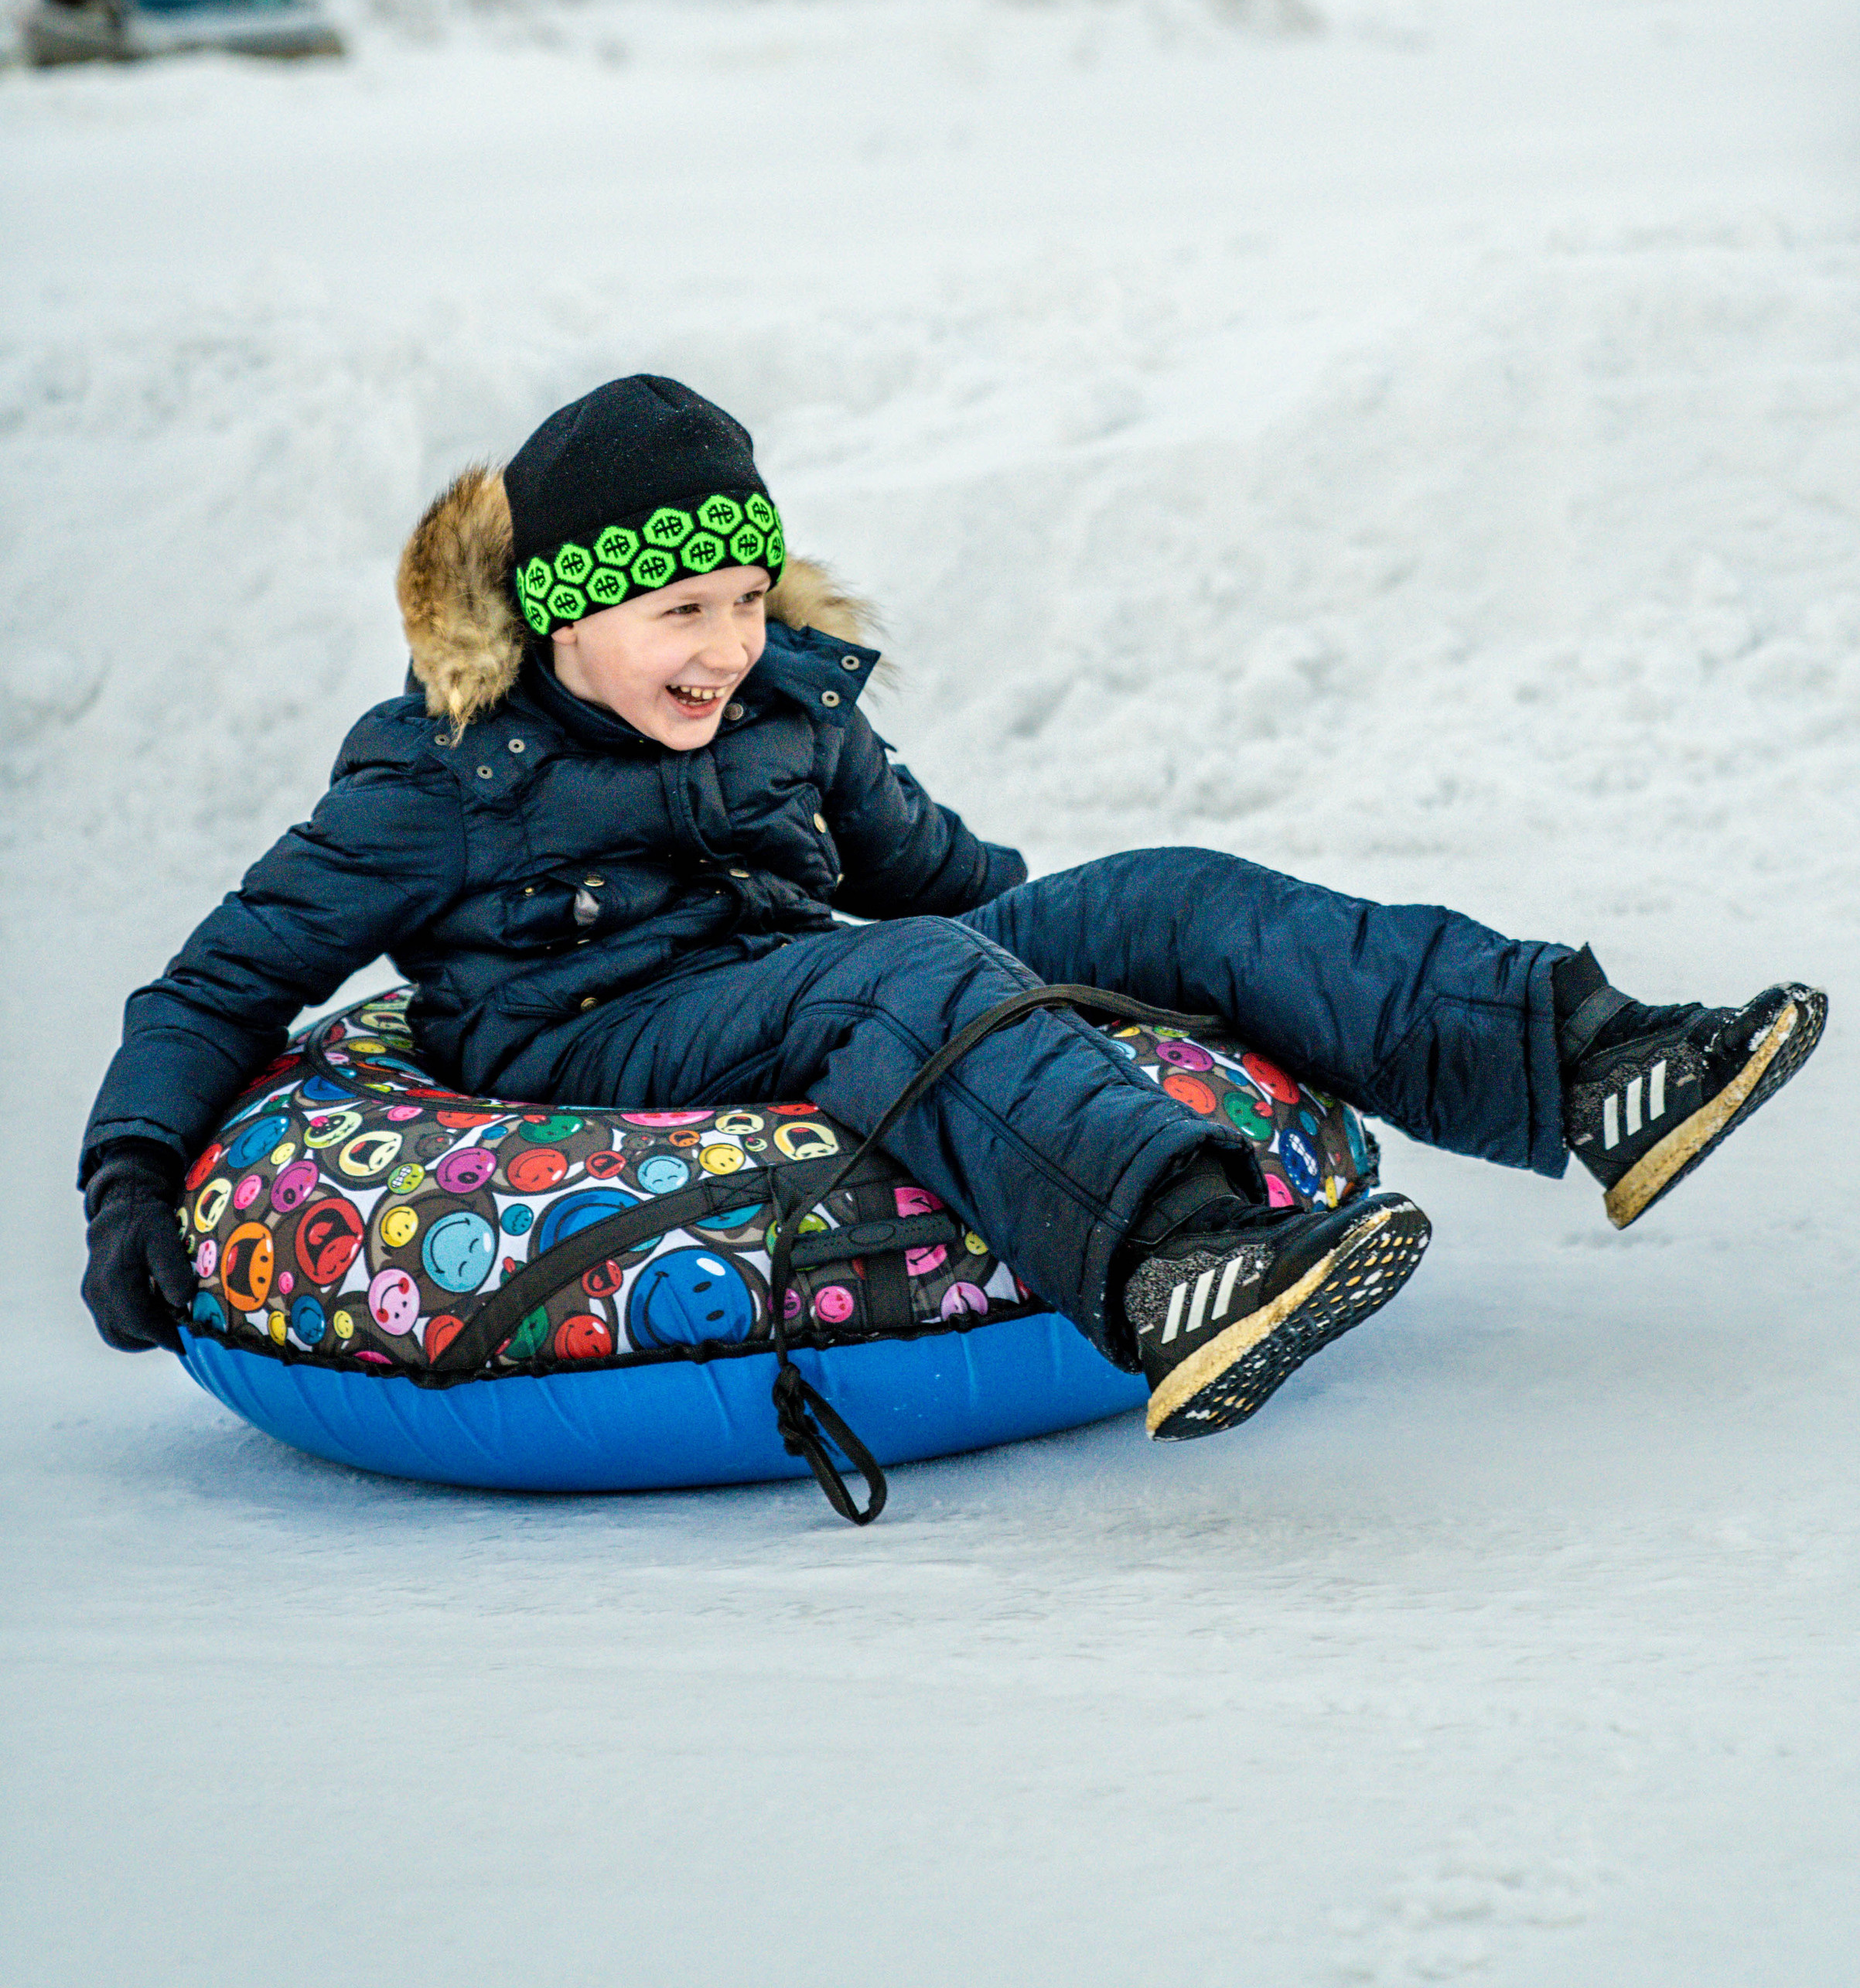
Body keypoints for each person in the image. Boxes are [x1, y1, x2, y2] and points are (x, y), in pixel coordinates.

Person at [80, 374, 1827, 1443]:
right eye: (680, 606)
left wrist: (1112, 950)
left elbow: (969, 890)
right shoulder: (437, 782)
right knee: (895, 982)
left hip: (800, 977)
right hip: (588, 1035)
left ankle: (1591, 1067)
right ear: (558, 615)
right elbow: (217, 983)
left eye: (749, 594)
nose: (729, 643)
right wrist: (132, 1180)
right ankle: (1174, 1266)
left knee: (1158, 893)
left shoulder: (785, 712)